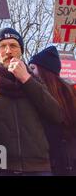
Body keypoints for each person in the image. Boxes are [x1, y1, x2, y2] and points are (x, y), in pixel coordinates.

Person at [0, 27, 63, 176]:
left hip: (38, 167)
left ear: (21, 51)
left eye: (13, 46)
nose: (8, 51)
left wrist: (26, 80)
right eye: (2, 46)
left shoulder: (34, 81)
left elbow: (56, 115)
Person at [29, 46, 76, 175]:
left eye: (32, 68)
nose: (29, 72)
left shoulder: (71, 93)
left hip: (59, 163)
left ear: (45, 70)